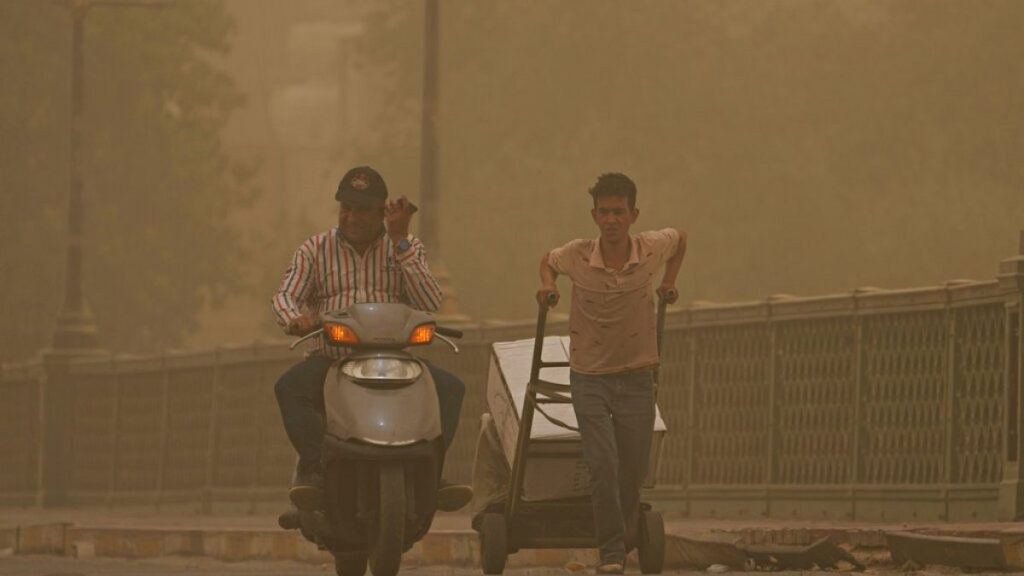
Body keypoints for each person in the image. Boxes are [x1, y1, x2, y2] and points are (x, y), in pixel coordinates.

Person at [272, 165, 472, 513]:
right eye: (346, 208)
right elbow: (284, 296)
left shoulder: (407, 248)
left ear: (383, 211)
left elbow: (429, 303)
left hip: (398, 361)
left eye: (362, 209)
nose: (352, 217)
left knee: (451, 388)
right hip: (332, 359)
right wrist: (295, 319)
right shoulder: (314, 250)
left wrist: (400, 241)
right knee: (289, 387)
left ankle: (430, 475)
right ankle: (316, 468)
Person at [536, 173, 687, 574]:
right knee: (602, 464)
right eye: (604, 212)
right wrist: (548, 287)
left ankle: (623, 528)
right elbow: (547, 262)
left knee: (633, 467)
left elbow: (681, 238)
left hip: (638, 375)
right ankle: (612, 550)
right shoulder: (578, 254)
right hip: (589, 375)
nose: (611, 220)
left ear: (633, 214)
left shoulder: (651, 248)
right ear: (594, 215)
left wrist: (669, 281)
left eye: (619, 212)